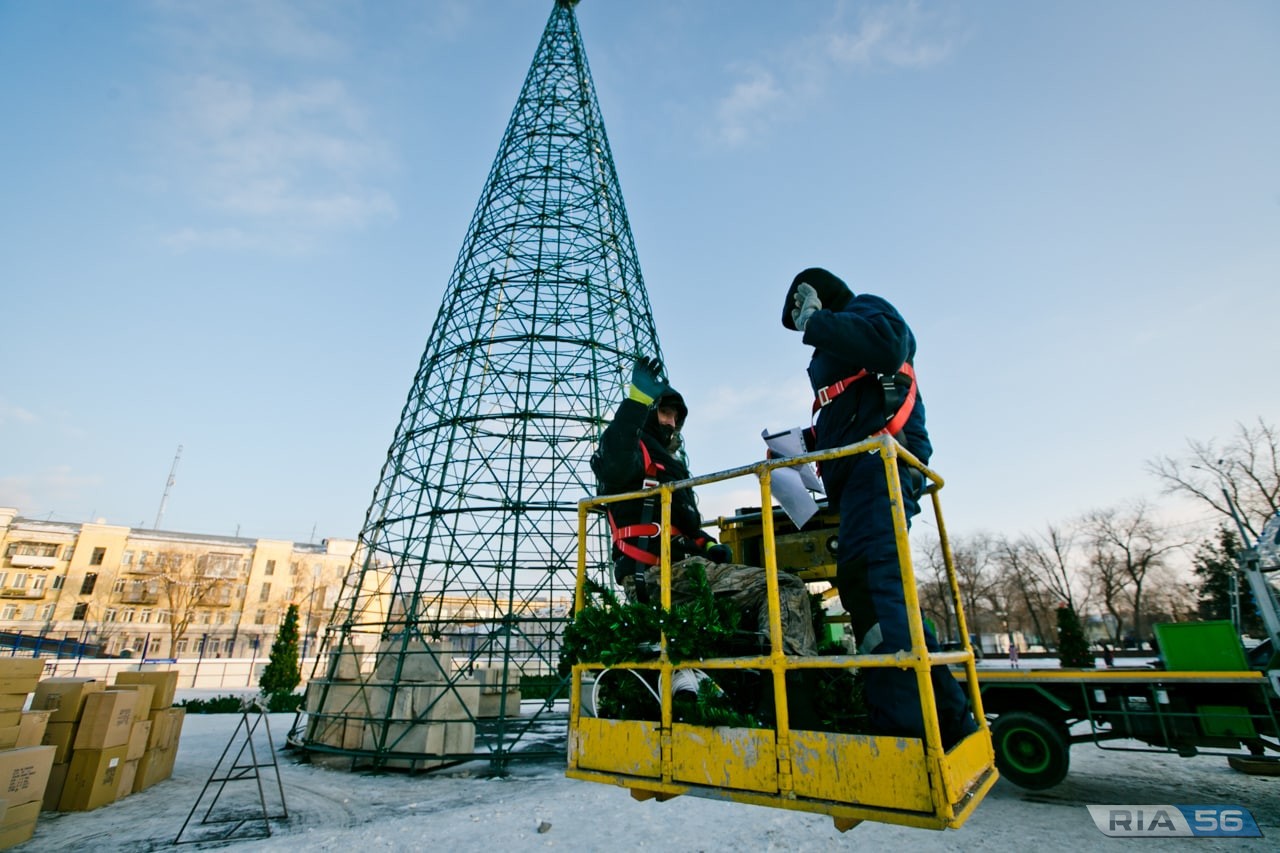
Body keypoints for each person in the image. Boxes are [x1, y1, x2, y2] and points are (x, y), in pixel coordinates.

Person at [782, 266, 977, 748]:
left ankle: (903, 726)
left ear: (819, 297)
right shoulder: (847, 345)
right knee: (871, 585)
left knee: (872, 579)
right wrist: (801, 444)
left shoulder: (867, 308)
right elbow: (851, 408)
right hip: (859, 470)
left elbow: (889, 346)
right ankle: (949, 718)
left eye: (800, 312)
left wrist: (817, 320)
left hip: (879, 463)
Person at [591, 356, 817, 657]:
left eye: (676, 417)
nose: (671, 422)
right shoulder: (633, 453)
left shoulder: (668, 465)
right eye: (664, 412)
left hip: (679, 568)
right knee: (784, 587)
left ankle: (753, 672)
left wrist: (707, 544)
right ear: (647, 412)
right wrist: (635, 401)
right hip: (657, 575)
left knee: (751, 607)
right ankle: (788, 682)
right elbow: (614, 461)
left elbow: (681, 523)